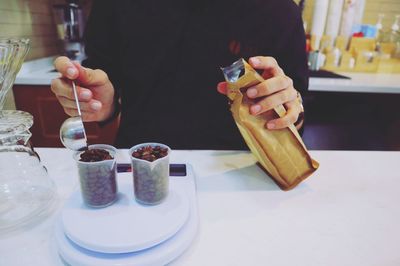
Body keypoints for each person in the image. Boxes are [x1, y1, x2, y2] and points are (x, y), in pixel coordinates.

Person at [51, 0, 307, 150]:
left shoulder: (277, 10)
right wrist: (101, 103)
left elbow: (298, 111)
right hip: (140, 160)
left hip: (241, 170)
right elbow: (104, 80)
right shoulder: (116, 5)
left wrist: (289, 110)